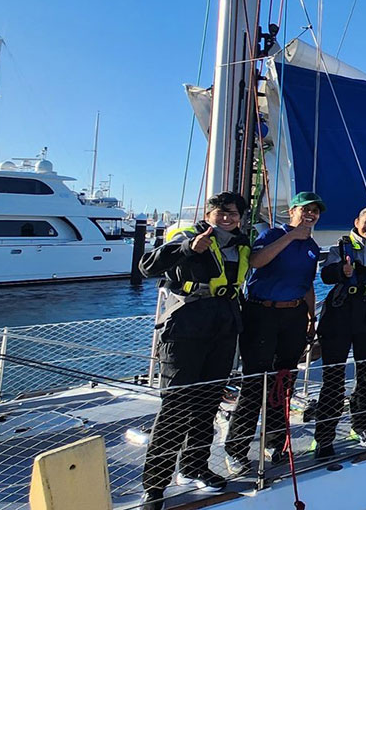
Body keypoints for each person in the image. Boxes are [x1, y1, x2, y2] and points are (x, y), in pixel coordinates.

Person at [136, 190, 249, 508]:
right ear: (209, 213)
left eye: (233, 213)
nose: (227, 218)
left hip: (223, 329)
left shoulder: (241, 244)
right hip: (185, 328)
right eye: (220, 212)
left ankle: (195, 465)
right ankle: (155, 485)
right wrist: (187, 248)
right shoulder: (189, 235)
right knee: (175, 406)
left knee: (207, 402)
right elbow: (147, 266)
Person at [224, 191, 324, 473]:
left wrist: (311, 318)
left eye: (315, 211)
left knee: (283, 383)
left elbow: (307, 285)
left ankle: (275, 442)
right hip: (262, 313)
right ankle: (236, 449)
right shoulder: (272, 234)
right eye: (306, 209)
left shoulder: (313, 247)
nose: (311, 215)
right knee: (255, 383)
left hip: (293, 316)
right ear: (292, 211)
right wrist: (291, 237)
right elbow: (256, 262)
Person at [313, 205, 366, 456]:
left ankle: (362, 426)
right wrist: (340, 271)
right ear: (357, 222)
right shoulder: (341, 247)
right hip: (340, 316)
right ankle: (324, 437)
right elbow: (325, 274)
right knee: (333, 379)